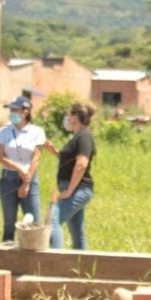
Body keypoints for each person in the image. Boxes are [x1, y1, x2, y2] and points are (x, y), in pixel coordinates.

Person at [44, 102, 96, 249]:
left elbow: (81, 164)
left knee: (53, 221)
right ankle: (82, 268)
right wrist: (55, 152)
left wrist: (69, 191)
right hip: (75, 188)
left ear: (75, 118)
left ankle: (56, 263)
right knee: (77, 232)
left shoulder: (84, 136)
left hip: (78, 189)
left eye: (68, 115)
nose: (66, 119)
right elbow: (71, 162)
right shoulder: (78, 137)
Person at [0, 96, 46, 242]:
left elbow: (36, 157)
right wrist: (18, 167)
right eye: (10, 110)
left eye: (15, 110)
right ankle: (6, 255)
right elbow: (0, 157)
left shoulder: (37, 131)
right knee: (9, 222)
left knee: (34, 222)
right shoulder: (4, 131)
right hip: (8, 179)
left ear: (25, 112)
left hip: (30, 178)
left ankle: (34, 257)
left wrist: (26, 182)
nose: (11, 113)